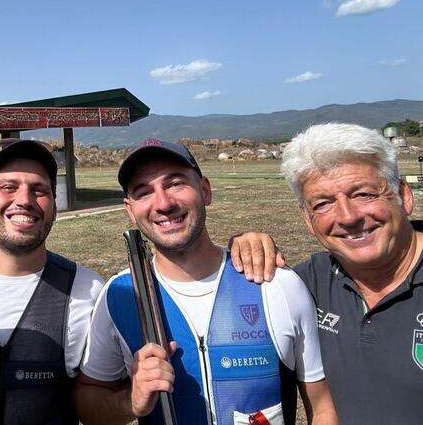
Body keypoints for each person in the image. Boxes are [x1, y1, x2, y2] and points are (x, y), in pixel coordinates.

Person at [74, 139, 338, 425]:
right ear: (130, 210)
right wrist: (130, 401)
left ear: (205, 190)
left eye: (175, 183)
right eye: (144, 192)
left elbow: (322, 406)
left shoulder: (276, 284)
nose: (163, 203)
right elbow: (89, 405)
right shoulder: (120, 295)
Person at [278, 123, 423, 425]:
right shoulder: (305, 284)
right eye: (323, 203)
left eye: (364, 194)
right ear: (307, 220)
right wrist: (247, 243)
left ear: (404, 196)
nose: (348, 216)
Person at [0, 139, 105, 425]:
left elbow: (98, 402)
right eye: (8, 187)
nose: (24, 200)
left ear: (54, 208)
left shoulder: (87, 291)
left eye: (39, 190)